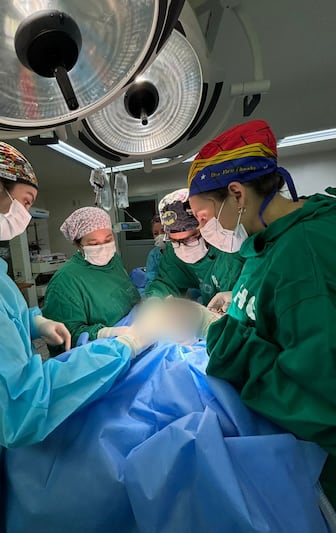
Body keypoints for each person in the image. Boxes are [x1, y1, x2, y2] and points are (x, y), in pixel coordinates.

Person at [0, 138, 151, 533]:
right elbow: (15, 403)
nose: (26, 215)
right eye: (26, 201)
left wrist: (33, 321)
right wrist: (125, 344)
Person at [187, 118, 336, 509]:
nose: (203, 230)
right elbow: (277, 313)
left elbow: (321, 402)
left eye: (203, 218)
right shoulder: (268, 241)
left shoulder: (304, 252)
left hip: (321, 467)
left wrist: (216, 331)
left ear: (237, 194)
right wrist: (238, 302)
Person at [43, 206, 141, 352]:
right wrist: (106, 333)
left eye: (108, 240)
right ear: (78, 244)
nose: (103, 248)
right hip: (96, 354)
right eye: (94, 244)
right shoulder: (65, 281)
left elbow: (127, 295)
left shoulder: (114, 261)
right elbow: (64, 336)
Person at [144, 188, 244, 305]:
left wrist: (233, 299)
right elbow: (165, 282)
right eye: (174, 241)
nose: (183, 247)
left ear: (205, 228)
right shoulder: (173, 251)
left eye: (190, 239)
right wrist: (156, 300)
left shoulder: (228, 248)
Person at [145, 214, 165, 288]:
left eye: (163, 231)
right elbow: (151, 279)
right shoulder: (154, 254)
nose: (160, 235)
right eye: (156, 233)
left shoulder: (181, 251)